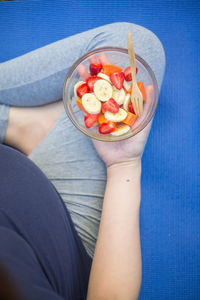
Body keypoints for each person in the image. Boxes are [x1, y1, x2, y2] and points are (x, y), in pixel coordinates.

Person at [0, 22, 165, 299]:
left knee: (129, 53)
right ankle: (24, 126)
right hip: (66, 241)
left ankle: (20, 126)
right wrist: (123, 166)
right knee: (134, 50)